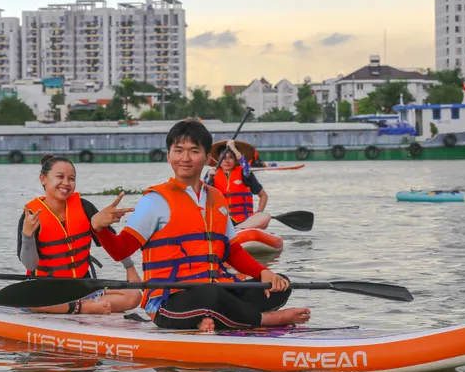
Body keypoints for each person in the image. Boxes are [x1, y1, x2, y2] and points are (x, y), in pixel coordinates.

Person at [95, 119, 311, 332]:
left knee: (281, 285)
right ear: (169, 156)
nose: (185, 158)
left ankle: (211, 319)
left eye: (194, 151)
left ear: (208, 158)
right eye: (178, 150)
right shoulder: (155, 200)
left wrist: (264, 272)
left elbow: (233, 251)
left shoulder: (216, 198)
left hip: (216, 288)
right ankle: (265, 319)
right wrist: (99, 228)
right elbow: (121, 250)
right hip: (169, 299)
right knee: (210, 294)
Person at [17, 154, 142, 315]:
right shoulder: (31, 216)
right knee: (30, 300)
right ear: (43, 179)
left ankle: (76, 305)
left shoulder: (84, 207)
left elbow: (111, 243)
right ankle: (82, 307)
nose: (66, 183)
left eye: (71, 178)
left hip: (82, 287)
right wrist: (27, 236)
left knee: (133, 296)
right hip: (45, 290)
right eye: (60, 177)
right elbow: (30, 265)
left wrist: (129, 267)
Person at [205, 140, 271, 230]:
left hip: (244, 221)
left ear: (235, 159)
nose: (227, 161)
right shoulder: (211, 174)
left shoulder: (244, 173)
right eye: (223, 158)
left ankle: (237, 229)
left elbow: (263, 196)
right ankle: (232, 230)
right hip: (221, 220)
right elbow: (201, 197)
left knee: (265, 216)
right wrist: (208, 178)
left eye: (230, 157)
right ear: (218, 160)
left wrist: (258, 212)